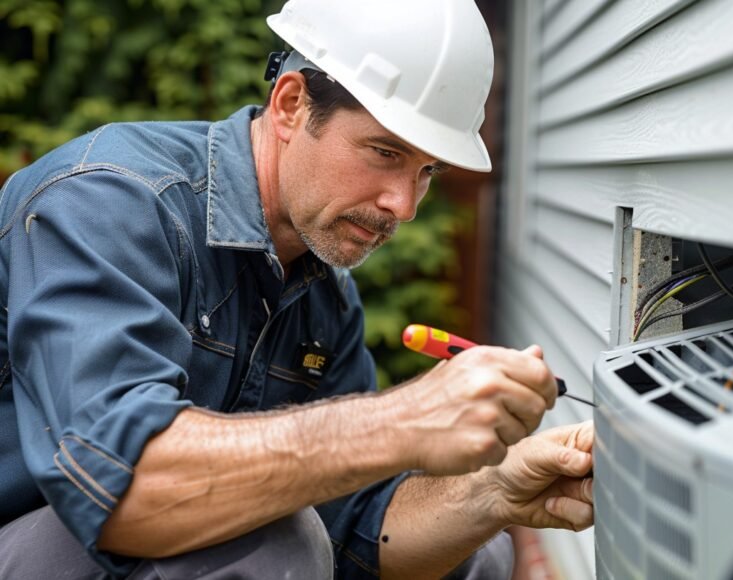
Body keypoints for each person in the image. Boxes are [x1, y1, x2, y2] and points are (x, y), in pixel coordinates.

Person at [0, 0, 594, 578]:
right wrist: (402, 421)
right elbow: (121, 487)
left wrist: (495, 490)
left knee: (480, 550)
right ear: (290, 105)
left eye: (427, 172)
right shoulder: (109, 201)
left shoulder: (320, 292)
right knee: (274, 545)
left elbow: (361, 534)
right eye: (385, 152)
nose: (405, 205)